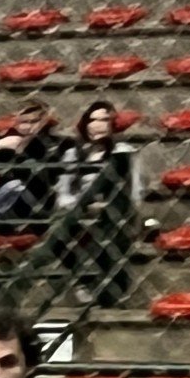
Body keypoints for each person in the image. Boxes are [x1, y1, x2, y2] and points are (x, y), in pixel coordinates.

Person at [54, 100, 138, 305]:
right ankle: (84, 282)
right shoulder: (73, 154)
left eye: (104, 119)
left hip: (114, 210)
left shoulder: (123, 152)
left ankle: (112, 297)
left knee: (112, 232)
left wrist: (107, 206)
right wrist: (77, 205)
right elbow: (63, 191)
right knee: (60, 235)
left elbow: (134, 190)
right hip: (78, 209)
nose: (98, 124)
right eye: (93, 119)